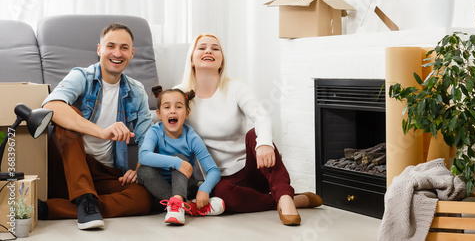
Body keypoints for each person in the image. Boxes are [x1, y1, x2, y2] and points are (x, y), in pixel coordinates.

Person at [176, 34, 322, 226]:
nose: (209, 51)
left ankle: (285, 199)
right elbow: (161, 120)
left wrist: (264, 144)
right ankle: (292, 199)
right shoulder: (180, 94)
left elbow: (261, 116)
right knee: (223, 196)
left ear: (221, 61)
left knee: (255, 134)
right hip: (219, 178)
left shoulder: (235, 87)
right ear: (192, 59)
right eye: (202, 47)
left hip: (254, 167)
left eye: (215, 48)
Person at [40, 23, 153, 230]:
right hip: (68, 167)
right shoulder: (82, 76)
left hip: (103, 173)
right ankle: (84, 198)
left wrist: (138, 169)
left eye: (124, 48)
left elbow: (148, 140)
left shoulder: (137, 92)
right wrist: (102, 132)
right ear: (99, 49)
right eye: (111, 46)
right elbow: (51, 105)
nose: (117, 53)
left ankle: (51, 209)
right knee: (66, 114)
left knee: (144, 198)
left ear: (132, 53)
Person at [137, 87, 224, 225]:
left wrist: (204, 189)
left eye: (178, 107)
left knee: (180, 157)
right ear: (159, 114)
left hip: (185, 187)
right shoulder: (154, 131)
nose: (172, 110)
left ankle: (178, 204)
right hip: (159, 192)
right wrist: (176, 162)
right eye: (167, 107)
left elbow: (213, 171)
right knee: (143, 170)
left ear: (187, 113)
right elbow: (143, 156)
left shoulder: (192, 138)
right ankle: (189, 206)